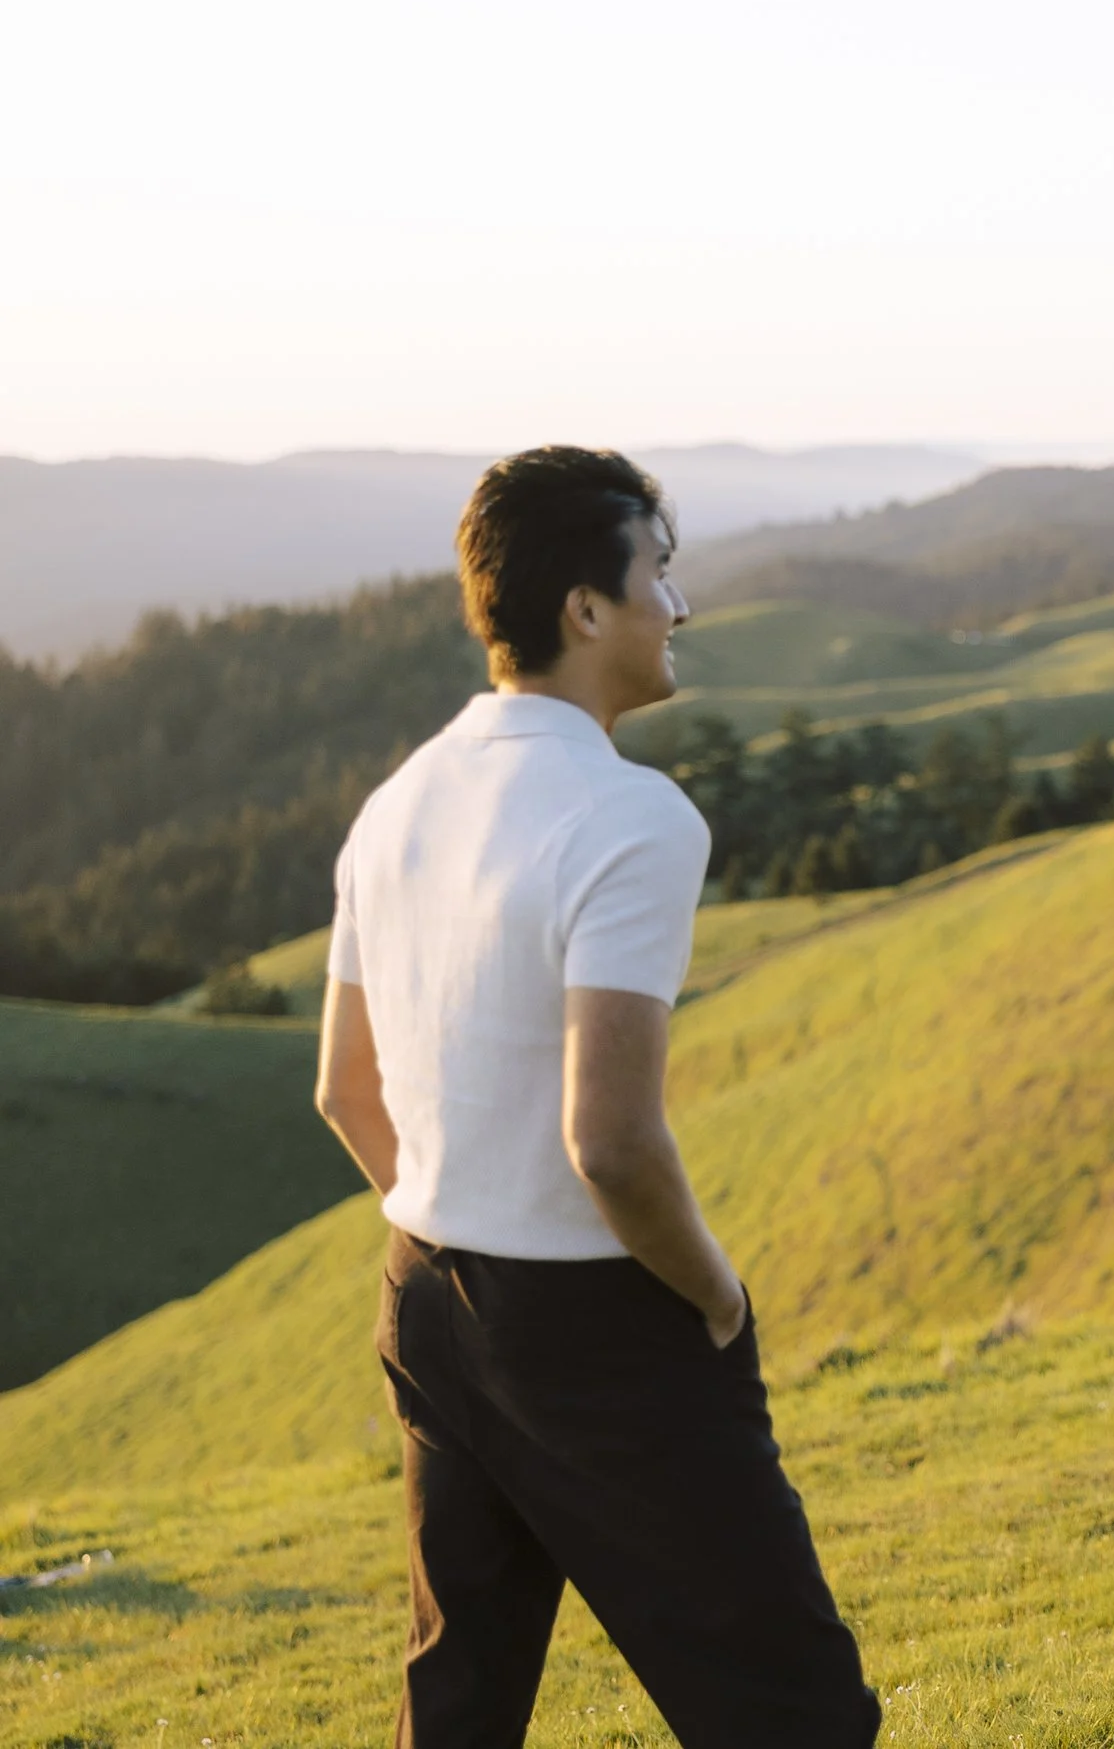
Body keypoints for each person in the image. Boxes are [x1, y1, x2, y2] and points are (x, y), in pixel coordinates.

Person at [313, 446, 881, 1745]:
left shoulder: (394, 803)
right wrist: (719, 1295)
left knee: (459, 1704)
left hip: (425, 1289)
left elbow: (346, 1090)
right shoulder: (633, 817)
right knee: (795, 1711)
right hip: (598, 1324)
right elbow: (613, 1141)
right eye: (659, 575)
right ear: (585, 607)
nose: (678, 607)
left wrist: (458, 1216)